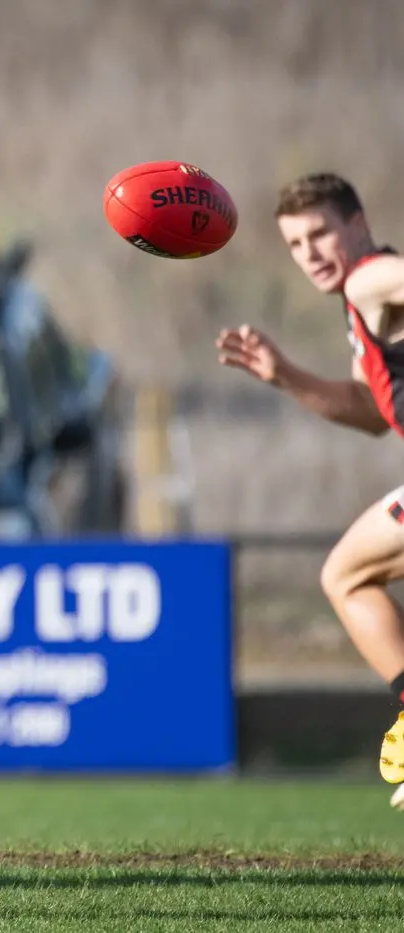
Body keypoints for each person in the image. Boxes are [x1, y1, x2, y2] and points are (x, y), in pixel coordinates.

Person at [215, 172, 404, 809]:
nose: (310, 253)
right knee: (347, 574)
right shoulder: (364, 305)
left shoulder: (367, 279)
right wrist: (285, 375)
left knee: (347, 575)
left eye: (320, 232)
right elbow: (371, 412)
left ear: (357, 222)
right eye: (296, 244)